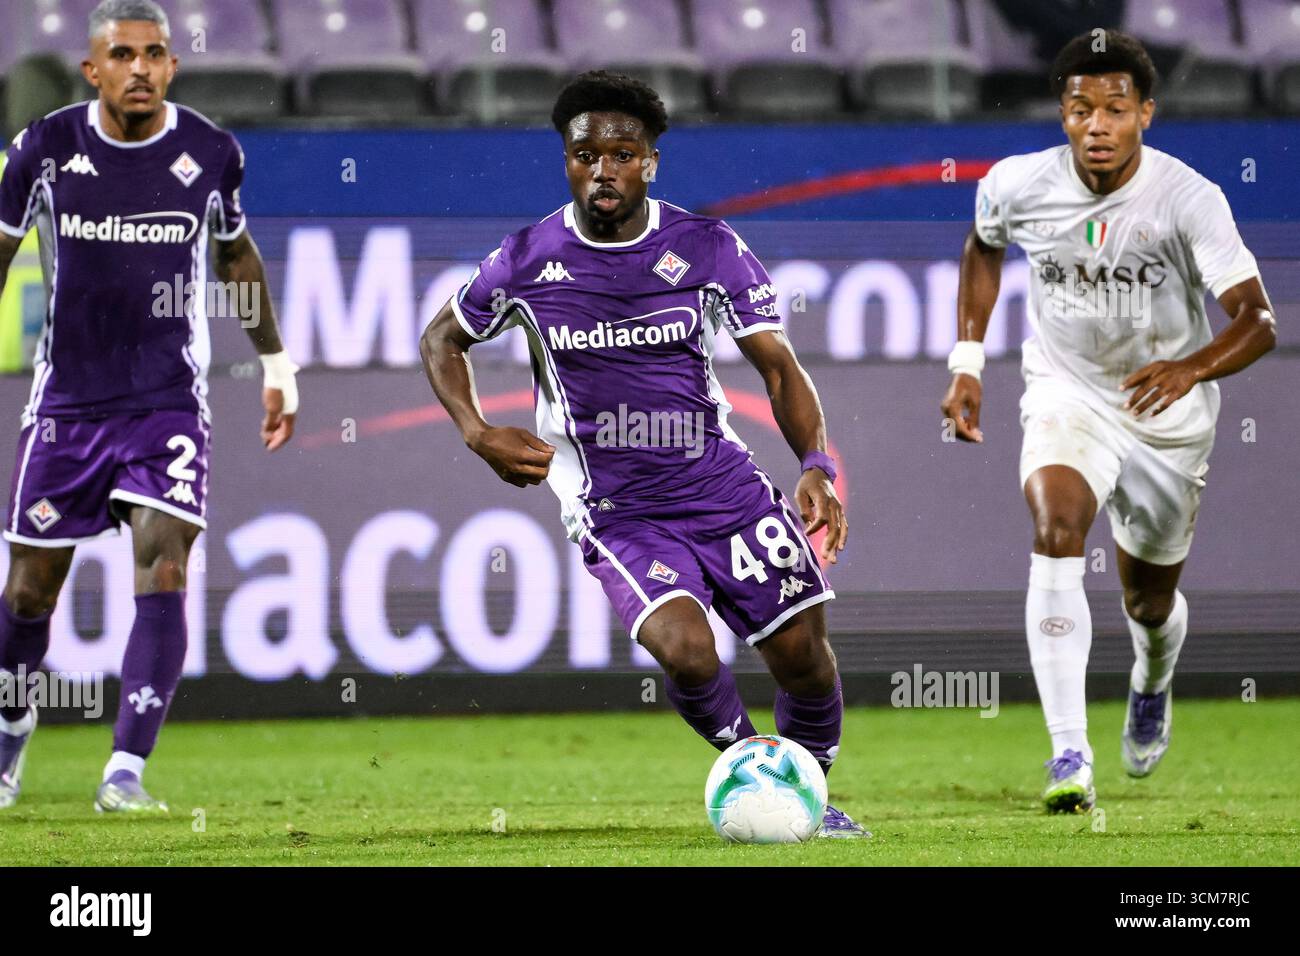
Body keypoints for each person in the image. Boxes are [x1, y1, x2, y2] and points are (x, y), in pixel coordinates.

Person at [420, 71, 866, 837]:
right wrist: (476, 429)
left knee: (804, 657)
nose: (602, 169)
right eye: (585, 153)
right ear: (567, 160)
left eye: (622, 153)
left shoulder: (707, 247)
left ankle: (809, 794)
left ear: (650, 162)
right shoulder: (526, 259)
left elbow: (779, 368)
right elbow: (441, 338)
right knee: (689, 653)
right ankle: (758, 770)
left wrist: (816, 464)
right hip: (616, 507)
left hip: (723, 487)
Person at [941, 30, 1275, 812]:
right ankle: (1068, 755)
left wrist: (1190, 366)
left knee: (1146, 604)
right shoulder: (1017, 184)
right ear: (1061, 114)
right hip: (1068, 390)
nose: (1097, 124)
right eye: (1081, 107)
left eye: (1115, 109)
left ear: (1145, 115)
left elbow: (1257, 321)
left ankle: (1151, 678)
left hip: (1169, 412)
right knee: (1056, 528)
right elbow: (984, 244)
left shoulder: (1189, 198)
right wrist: (966, 360)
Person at [0, 0, 299, 813]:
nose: (140, 68)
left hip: (166, 404)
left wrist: (275, 359)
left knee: (163, 565)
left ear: (172, 64)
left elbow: (235, 254)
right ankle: (8, 736)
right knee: (29, 593)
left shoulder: (210, 153)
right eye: (122, 55)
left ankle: (124, 771)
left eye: (155, 54)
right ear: (92, 69)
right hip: (67, 406)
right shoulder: (44, 149)